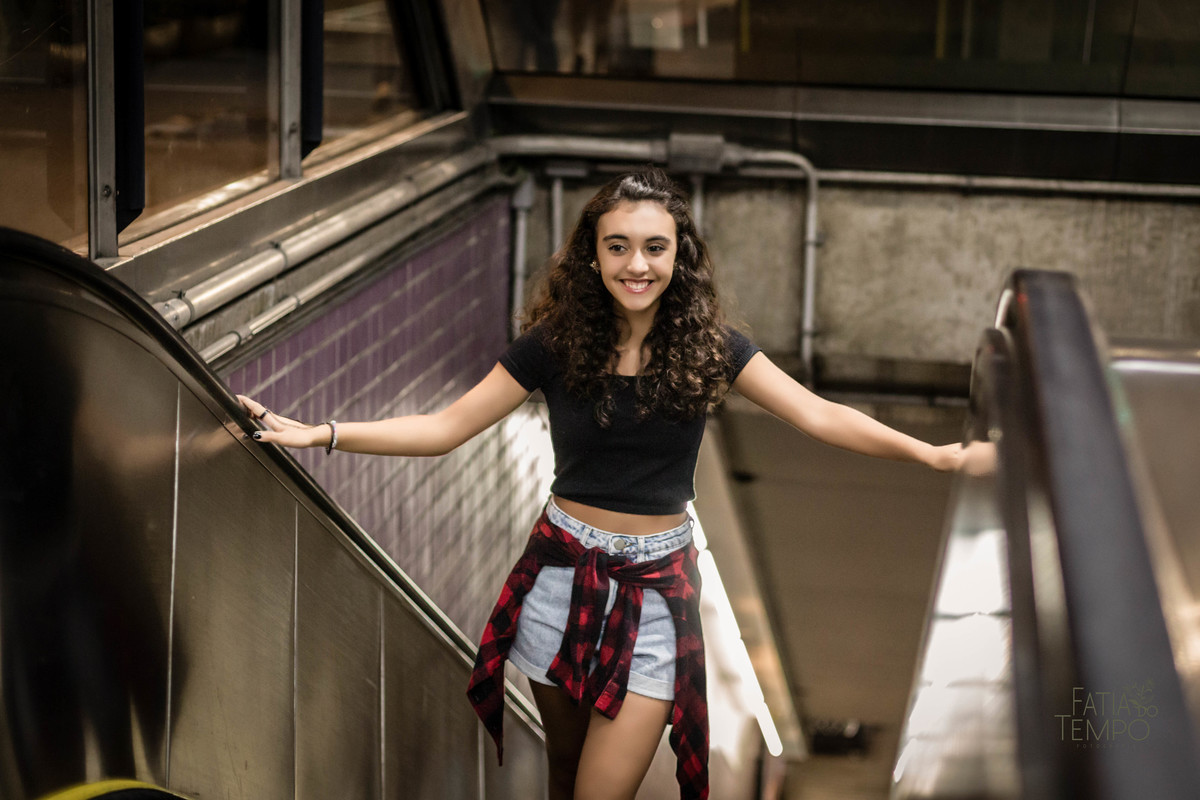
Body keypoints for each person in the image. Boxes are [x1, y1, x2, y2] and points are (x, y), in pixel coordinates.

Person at [238, 167, 962, 800]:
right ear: (593, 254)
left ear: (681, 257)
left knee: (599, 790)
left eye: (655, 247)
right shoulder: (553, 346)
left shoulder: (712, 350)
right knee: (564, 769)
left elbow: (818, 415)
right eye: (618, 247)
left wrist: (937, 458)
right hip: (559, 573)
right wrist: (319, 433)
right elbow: (444, 428)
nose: (636, 265)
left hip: (657, 591)